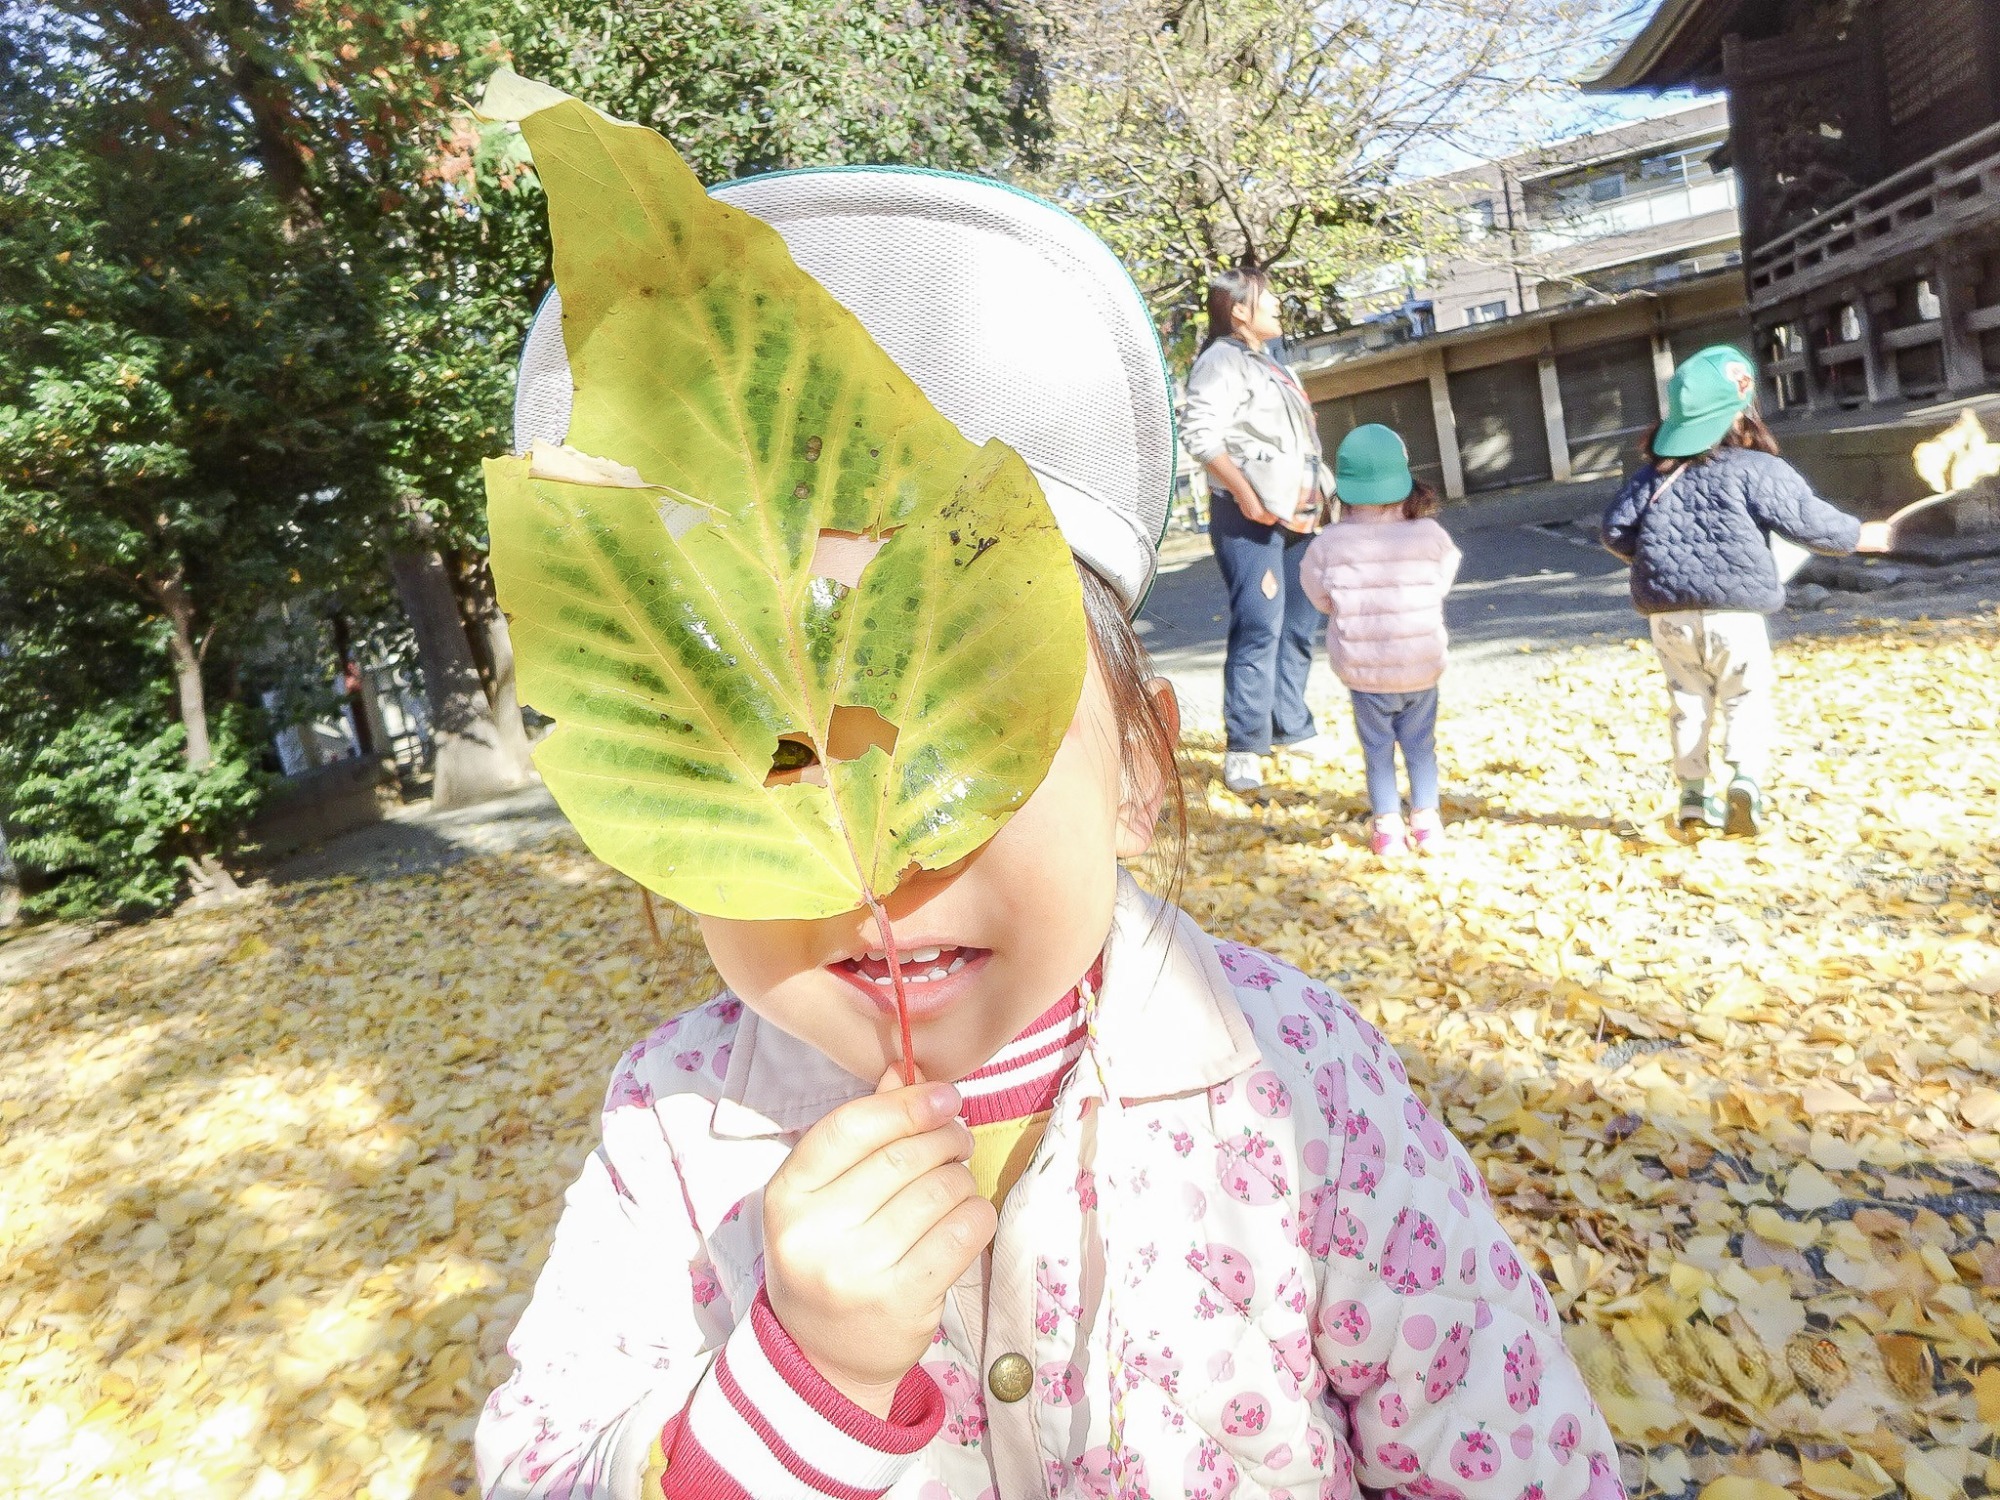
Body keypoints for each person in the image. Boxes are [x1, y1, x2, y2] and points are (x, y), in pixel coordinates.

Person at [480, 164, 1623, 1500]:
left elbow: (1502, 1437)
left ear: (1138, 762)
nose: (884, 855)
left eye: (963, 729)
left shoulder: (1301, 1082)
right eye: (767, 754)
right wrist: (795, 1390)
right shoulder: (674, 1138)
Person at [1601, 345, 1891, 836]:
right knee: (1744, 696)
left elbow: (1615, 532)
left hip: (1668, 616)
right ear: (1745, 409)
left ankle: (1692, 795)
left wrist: (1661, 559)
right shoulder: (1757, 469)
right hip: (1736, 614)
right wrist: (1866, 535)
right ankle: (1745, 782)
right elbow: (1812, 524)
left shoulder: (1652, 475)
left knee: (1688, 700)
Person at [1180, 269, 1334, 796]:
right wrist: (1249, 499)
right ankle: (1244, 746)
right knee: (1259, 628)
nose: (1279, 304)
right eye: (1268, 297)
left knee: (1297, 624)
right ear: (1240, 309)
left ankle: (1291, 726)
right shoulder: (1220, 361)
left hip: (1300, 519)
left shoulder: (1270, 364)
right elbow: (1200, 436)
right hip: (1250, 520)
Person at [1301, 424, 1461, 859]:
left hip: (1365, 669)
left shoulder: (1329, 543)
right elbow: (1442, 580)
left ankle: (1388, 830)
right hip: (1420, 664)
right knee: (1421, 747)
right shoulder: (1430, 535)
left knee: (1377, 751)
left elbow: (1318, 597)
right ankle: (1427, 823)